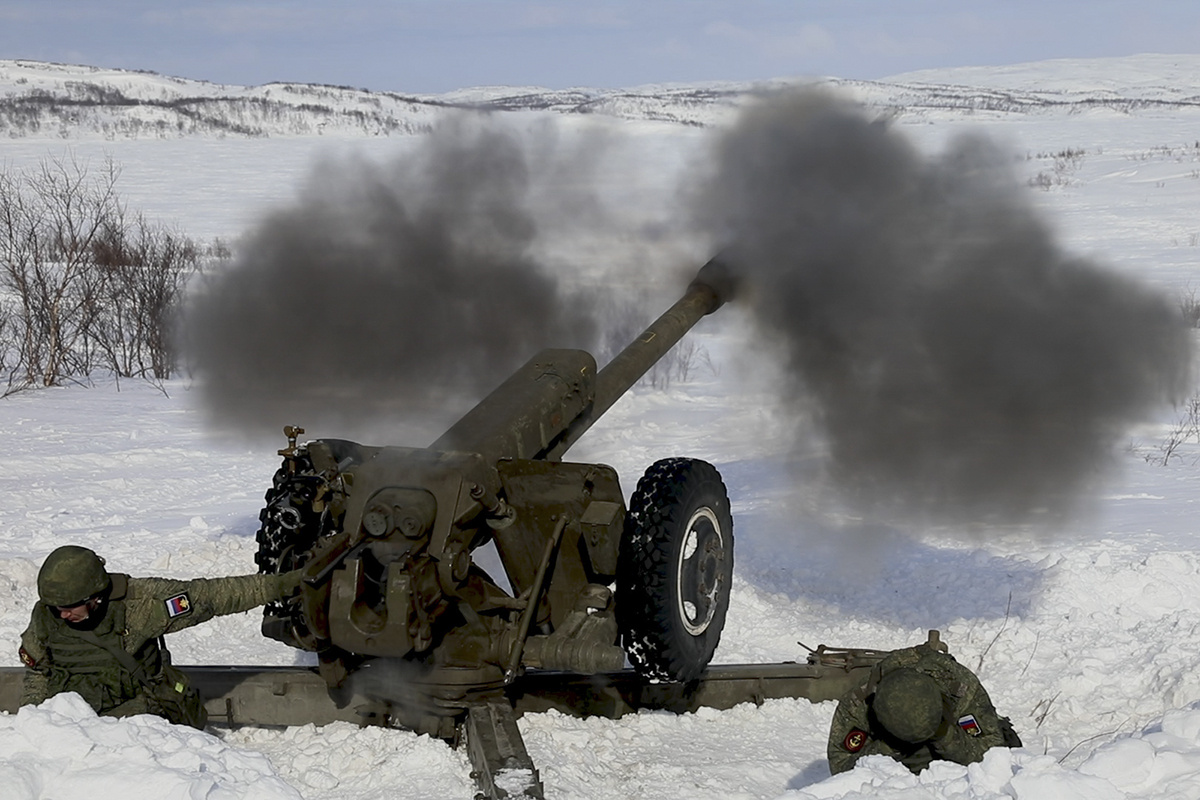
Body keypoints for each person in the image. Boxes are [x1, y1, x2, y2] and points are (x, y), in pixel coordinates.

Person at [18, 544, 302, 728]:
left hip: (136, 723)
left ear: (95, 597)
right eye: (56, 608)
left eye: (69, 608)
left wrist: (281, 585)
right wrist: (36, 724)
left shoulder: (137, 607)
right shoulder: (47, 616)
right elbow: (39, 673)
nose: (62, 615)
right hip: (71, 725)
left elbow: (212, 596)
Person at [827, 632, 1021, 775]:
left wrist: (946, 737)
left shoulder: (961, 688)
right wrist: (887, 747)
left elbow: (992, 755)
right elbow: (840, 766)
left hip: (953, 734)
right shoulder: (859, 702)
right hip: (888, 746)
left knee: (1011, 746)